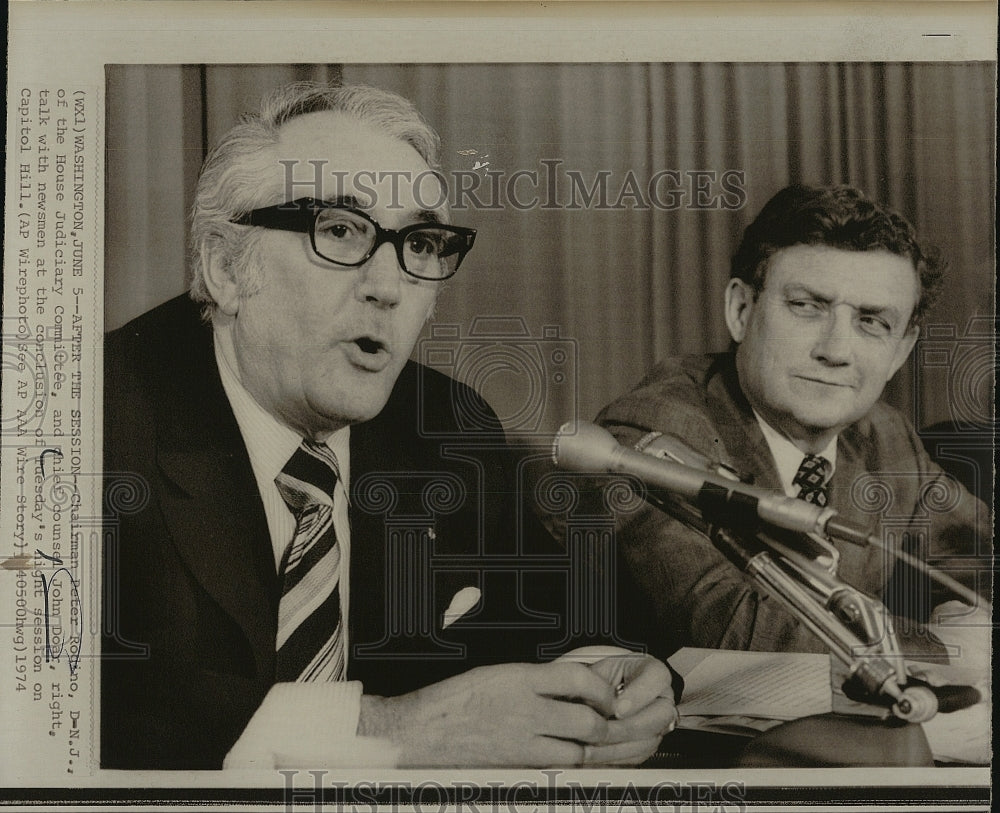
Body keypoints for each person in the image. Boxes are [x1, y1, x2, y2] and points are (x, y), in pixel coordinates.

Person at [101, 82, 677, 770]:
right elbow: (77, 702)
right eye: (340, 231)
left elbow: (581, 611)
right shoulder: (89, 416)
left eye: (422, 243)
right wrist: (391, 730)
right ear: (226, 267)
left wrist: (616, 674)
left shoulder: (444, 424)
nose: (390, 285)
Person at [595, 184, 992, 656]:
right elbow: (740, 630)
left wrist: (963, 610)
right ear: (741, 311)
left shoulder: (885, 436)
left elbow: (983, 560)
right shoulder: (652, 432)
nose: (836, 350)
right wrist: (953, 650)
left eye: (872, 322)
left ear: (900, 352)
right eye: (807, 306)